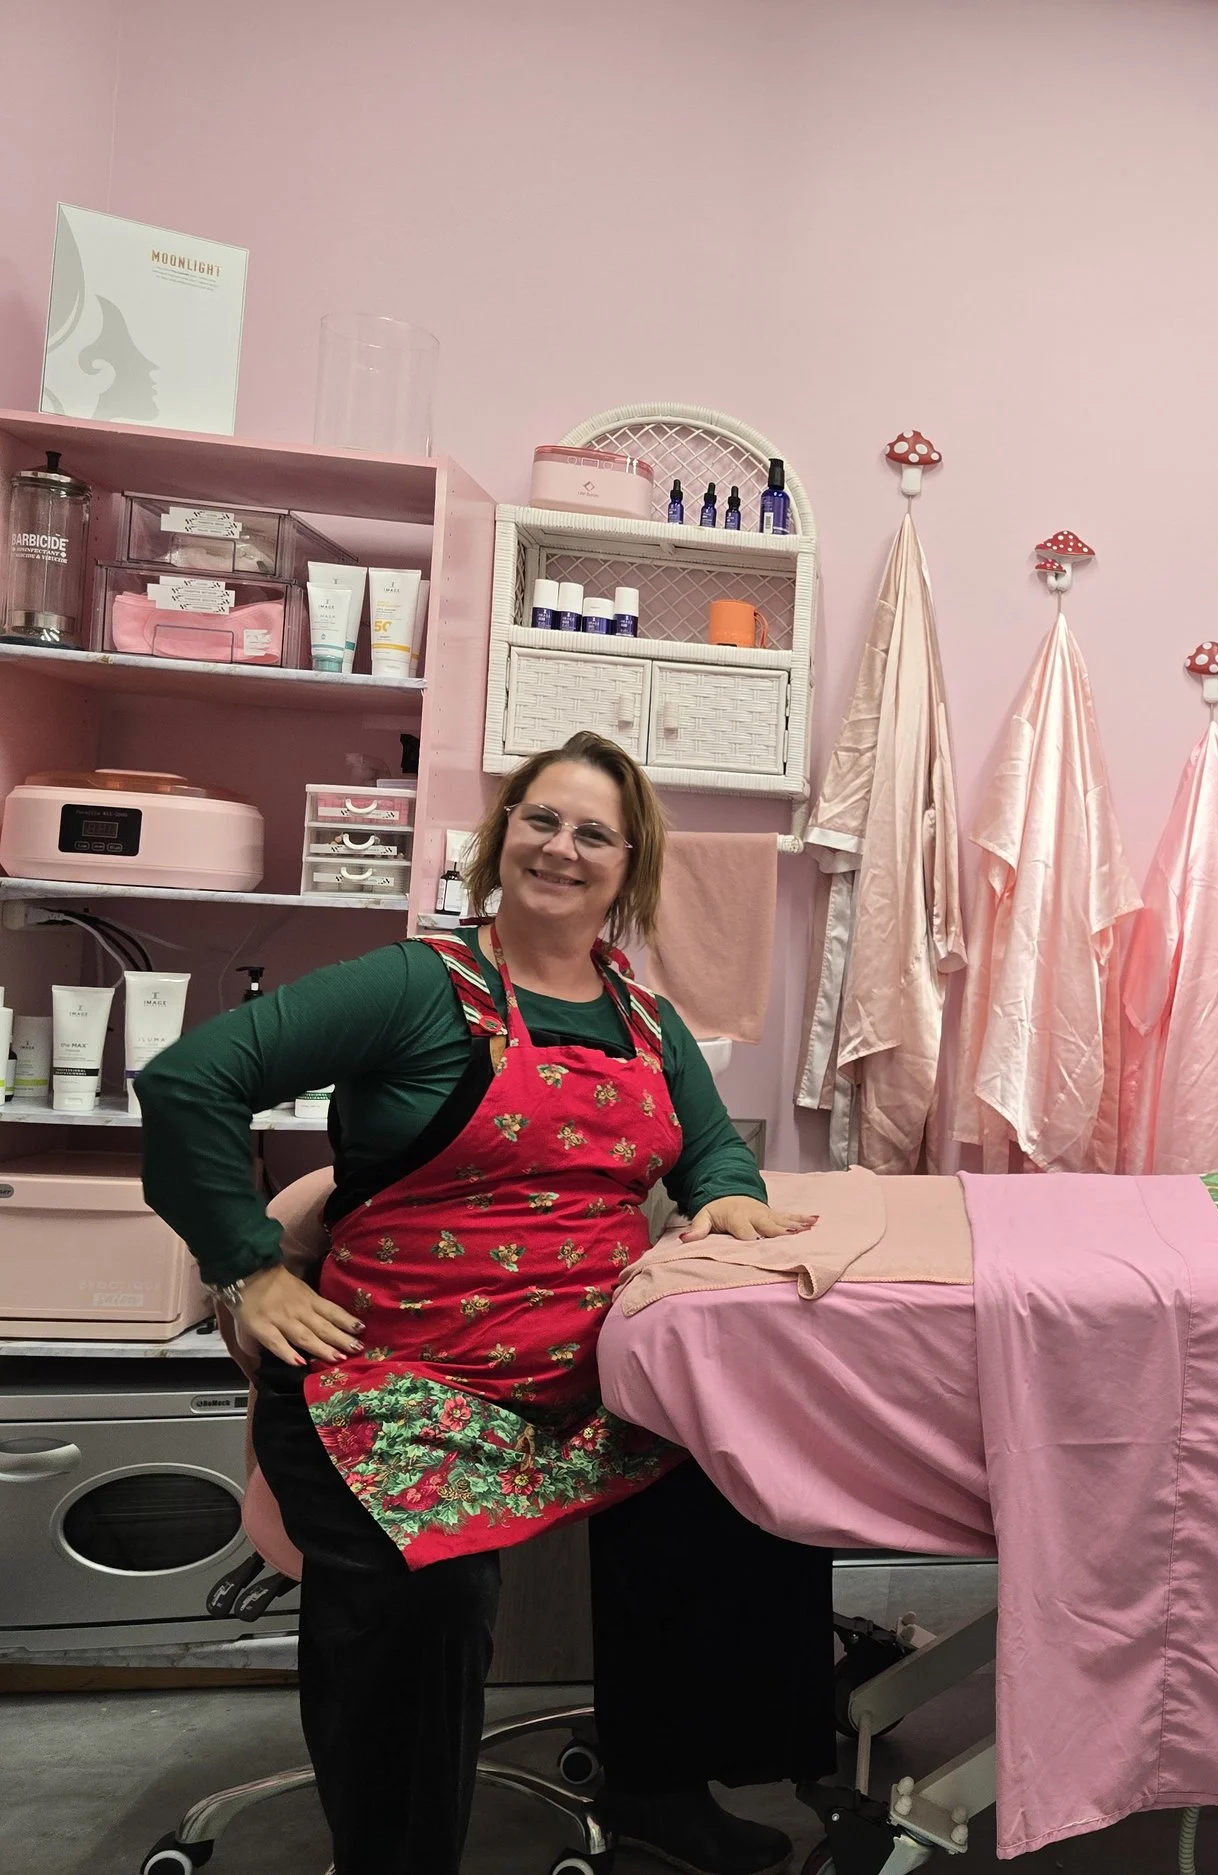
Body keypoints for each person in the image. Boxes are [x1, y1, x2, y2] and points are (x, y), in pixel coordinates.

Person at [142, 732, 828, 1875]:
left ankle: (668, 1785)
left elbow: (711, 1156)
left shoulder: (650, 1024)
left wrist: (729, 1200)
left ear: (630, 868)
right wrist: (249, 1264)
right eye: (540, 819)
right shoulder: (416, 985)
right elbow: (188, 1081)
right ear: (501, 837)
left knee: (753, 1481)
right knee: (433, 1590)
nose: (561, 847)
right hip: (395, 1386)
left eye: (594, 832)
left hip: (581, 1387)